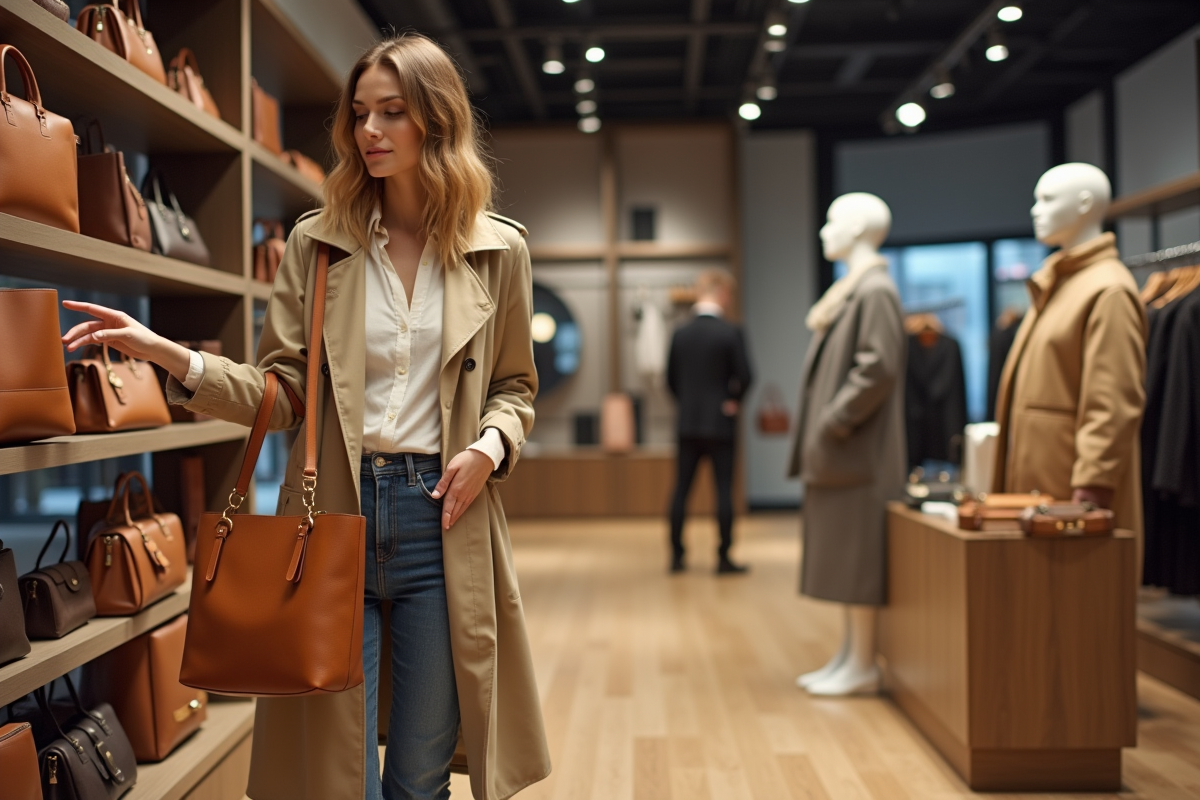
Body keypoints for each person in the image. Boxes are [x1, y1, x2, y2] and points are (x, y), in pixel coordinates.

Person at [61, 34, 550, 800]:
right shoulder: (317, 245)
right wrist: (170, 357)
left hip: (444, 520)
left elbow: (515, 387)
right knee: (340, 775)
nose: (369, 130)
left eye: (392, 111)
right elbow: (282, 392)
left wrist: (490, 446)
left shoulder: (498, 251)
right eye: (359, 113)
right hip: (330, 521)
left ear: (437, 119)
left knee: (421, 775)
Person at [789, 192, 906, 697]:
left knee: (859, 563)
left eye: (832, 221)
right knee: (846, 562)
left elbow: (878, 367)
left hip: (859, 454)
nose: (824, 231)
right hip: (845, 453)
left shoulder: (873, 291)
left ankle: (862, 663)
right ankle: (849, 656)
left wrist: (835, 420)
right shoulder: (854, 291)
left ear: (857, 227)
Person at [993, 163, 1146, 545]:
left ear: (1084, 204)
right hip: (1041, 488)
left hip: (1069, 497)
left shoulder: (1107, 289)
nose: (1035, 210)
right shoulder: (1058, 284)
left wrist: (1092, 486)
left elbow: (1112, 402)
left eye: (1046, 199)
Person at [666, 269, 753, 575]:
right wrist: (733, 400)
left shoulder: (680, 333)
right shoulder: (731, 332)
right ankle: (724, 557)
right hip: (721, 423)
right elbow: (746, 376)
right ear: (722, 293)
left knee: (681, 489)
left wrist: (687, 404)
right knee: (724, 490)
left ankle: (676, 557)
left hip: (687, 423)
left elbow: (670, 379)